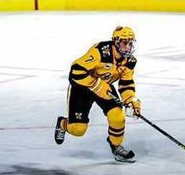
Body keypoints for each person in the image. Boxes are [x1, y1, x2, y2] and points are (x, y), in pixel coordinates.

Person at [54, 26, 141, 163]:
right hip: (82, 87)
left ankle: (116, 146)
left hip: (103, 86)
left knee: (117, 116)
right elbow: (76, 71)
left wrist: (131, 101)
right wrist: (96, 85)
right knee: (78, 130)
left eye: (131, 43)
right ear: (116, 42)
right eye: (125, 43)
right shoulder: (101, 51)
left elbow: (126, 84)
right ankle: (63, 123)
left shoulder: (129, 61)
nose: (129, 47)